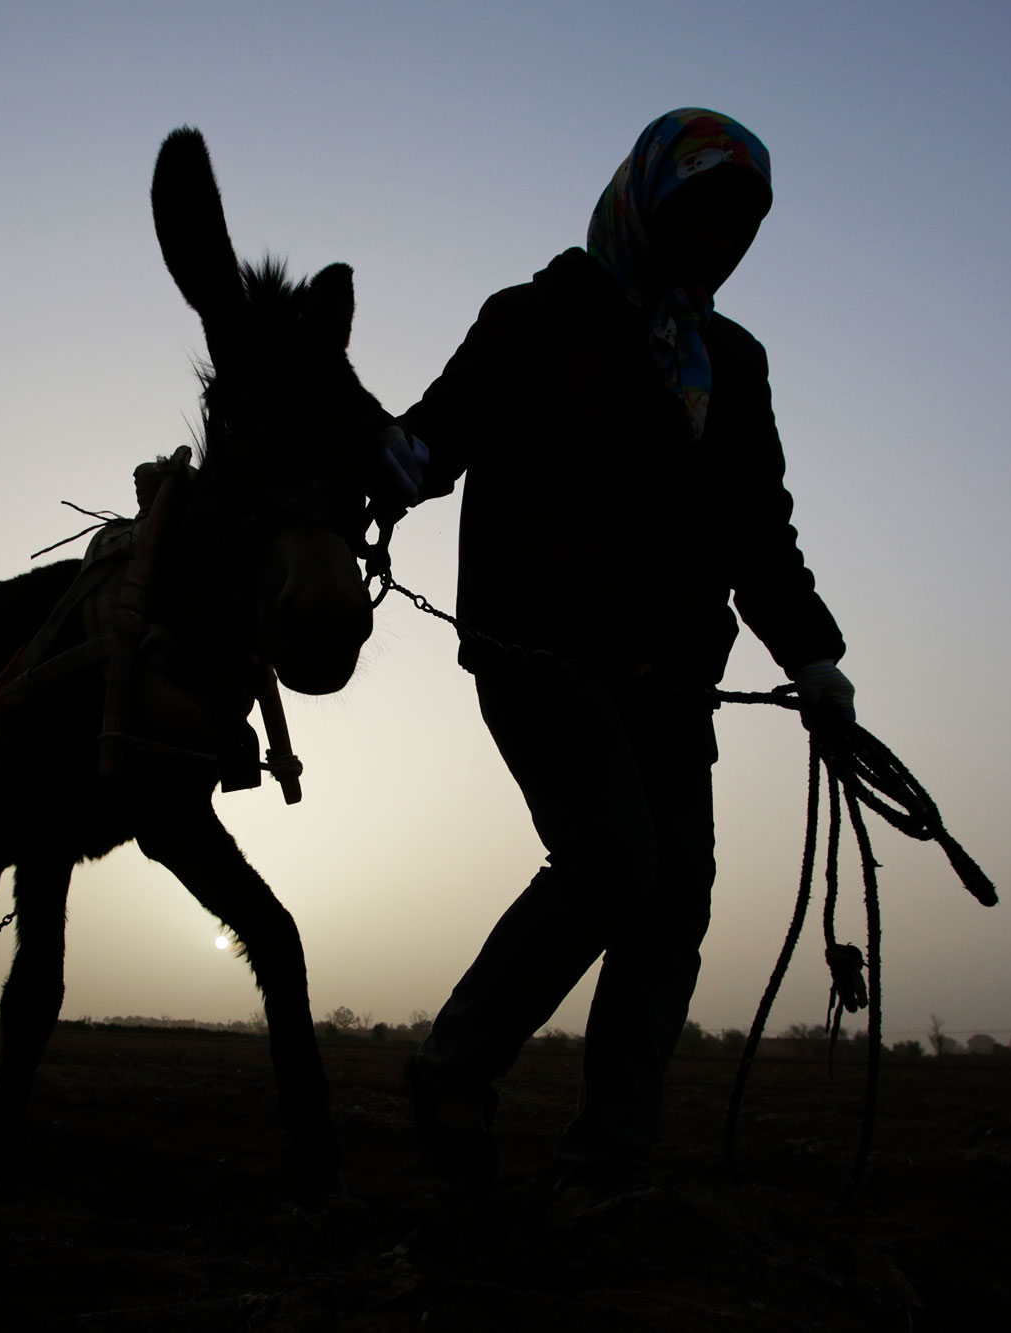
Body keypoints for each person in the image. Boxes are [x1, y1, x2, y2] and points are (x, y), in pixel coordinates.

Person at [370, 109, 857, 1203]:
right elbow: (425, 441)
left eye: (746, 223)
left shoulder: (729, 364)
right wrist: (366, 459)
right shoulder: (534, 319)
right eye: (706, 210)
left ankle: (610, 1157)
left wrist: (816, 660)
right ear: (648, 202)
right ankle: (452, 1065)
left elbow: (757, 535)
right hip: (538, 654)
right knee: (610, 863)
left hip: (672, 681)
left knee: (672, 901)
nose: (725, 239)